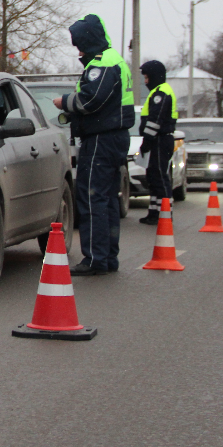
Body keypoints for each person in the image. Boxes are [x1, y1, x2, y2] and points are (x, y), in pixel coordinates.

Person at [52, 14, 133, 276]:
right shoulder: (113, 60)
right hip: (112, 137)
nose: (79, 50)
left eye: (79, 44)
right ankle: (108, 256)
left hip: (101, 138)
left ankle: (95, 258)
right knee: (107, 198)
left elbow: (90, 100)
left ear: (88, 40)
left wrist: (64, 102)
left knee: (92, 197)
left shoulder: (103, 63)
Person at [138, 60, 178, 225]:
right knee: (153, 176)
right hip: (158, 139)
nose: (146, 81)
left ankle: (165, 213)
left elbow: (155, 119)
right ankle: (154, 212)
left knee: (160, 177)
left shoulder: (161, 93)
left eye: (147, 77)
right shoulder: (158, 91)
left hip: (160, 139)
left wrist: (147, 141)